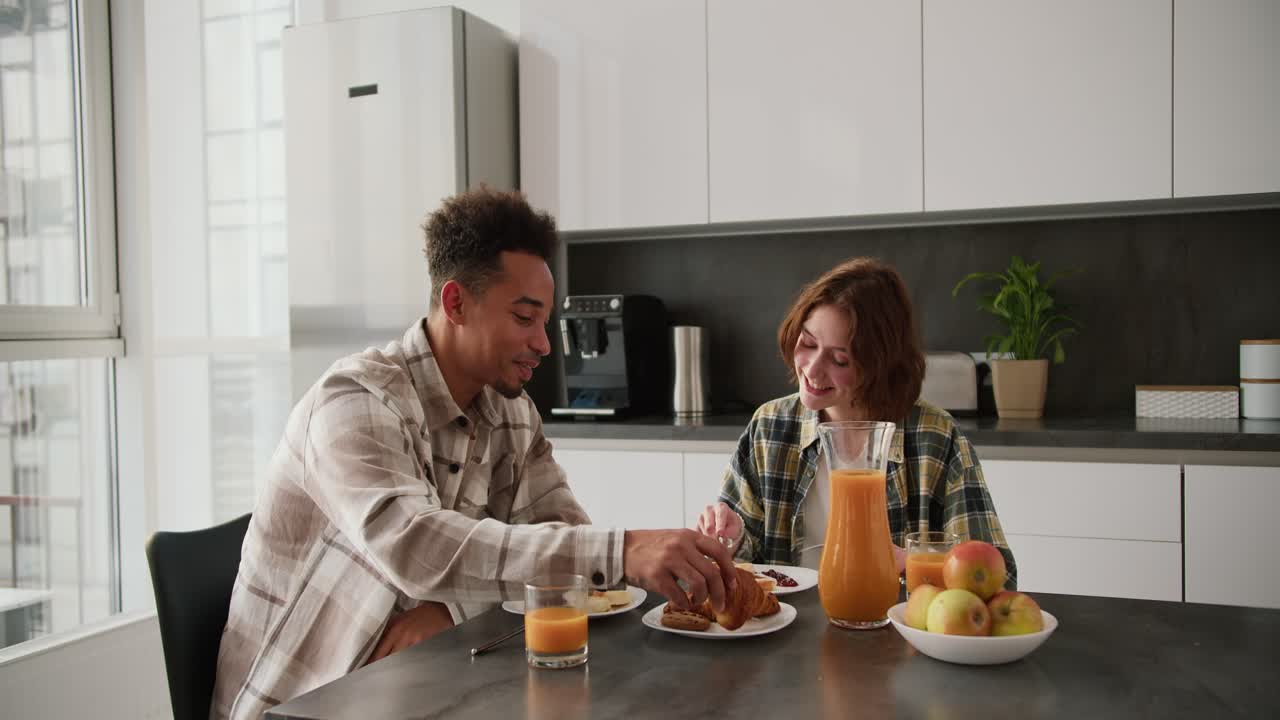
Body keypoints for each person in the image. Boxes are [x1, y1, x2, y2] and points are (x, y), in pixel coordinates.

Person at [212, 188, 736, 719]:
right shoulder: (355, 401)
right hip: (309, 698)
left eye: (545, 321)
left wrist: (451, 605)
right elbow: (415, 546)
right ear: (456, 303)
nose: (545, 345)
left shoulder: (512, 412)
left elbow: (561, 540)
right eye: (524, 318)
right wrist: (621, 552)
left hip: (430, 681)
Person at [695, 257, 1016, 586]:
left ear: (879, 365)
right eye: (807, 343)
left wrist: (914, 562)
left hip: (889, 632)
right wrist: (732, 539)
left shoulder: (933, 436)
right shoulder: (770, 427)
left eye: (839, 359)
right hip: (789, 631)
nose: (813, 369)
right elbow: (739, 567)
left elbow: (996, 576)